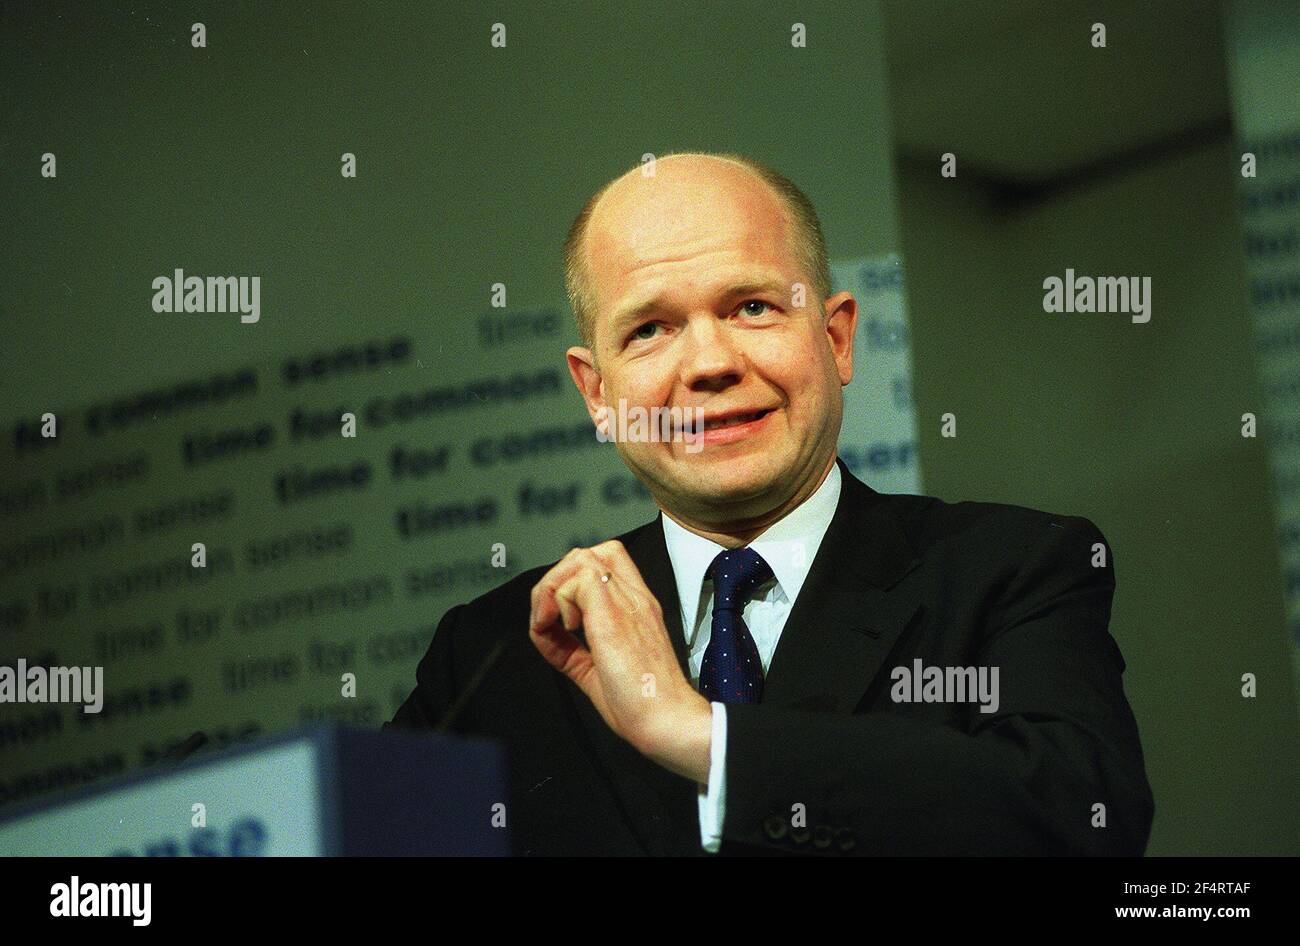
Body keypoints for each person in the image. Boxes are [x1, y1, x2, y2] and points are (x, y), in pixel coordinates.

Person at [386, 152, 1155, 856]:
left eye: (752, 307)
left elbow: (1077, 819)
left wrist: (700, 737)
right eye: (650, 329)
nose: (711, 364)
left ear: (838, 338)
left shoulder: (1010, 569)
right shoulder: (493, 654)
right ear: (596, 390)